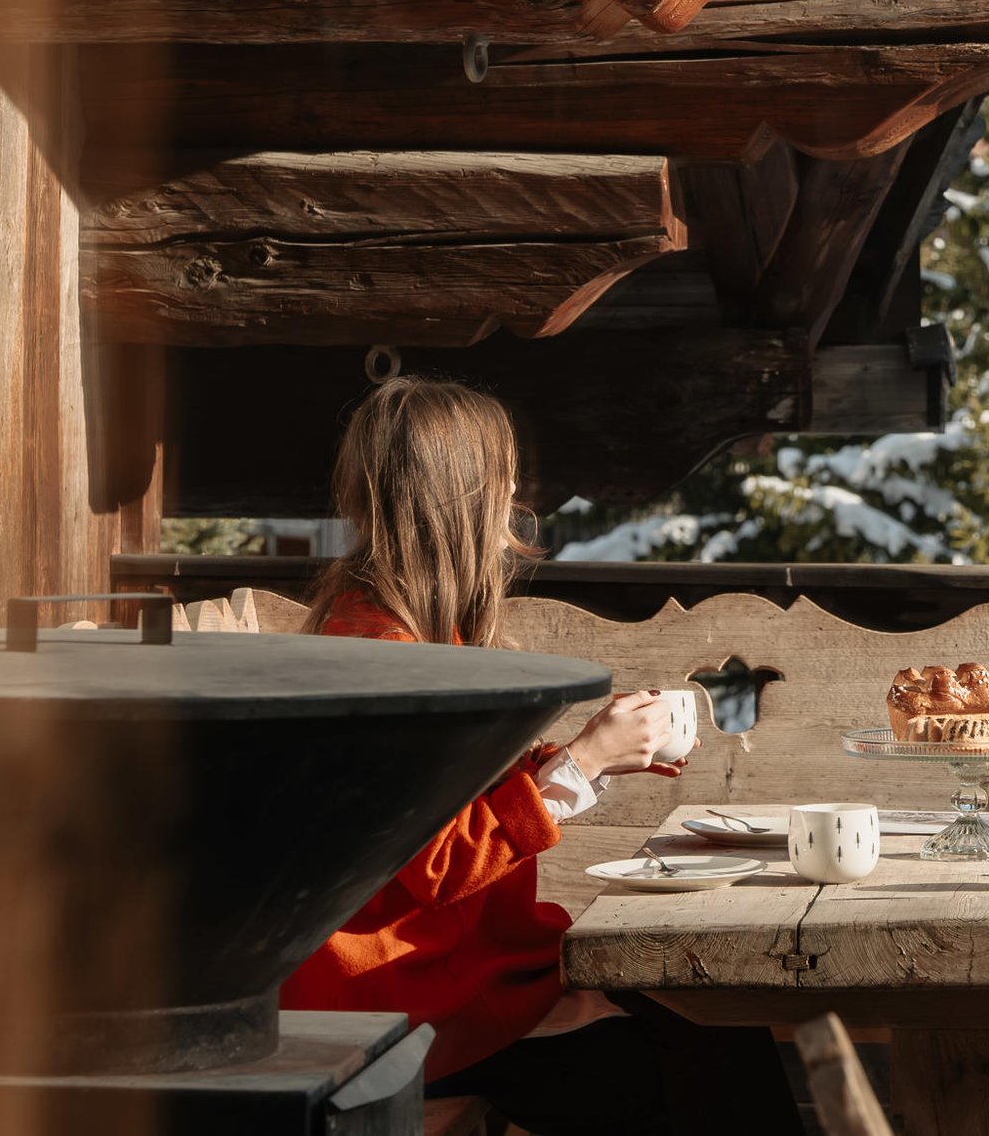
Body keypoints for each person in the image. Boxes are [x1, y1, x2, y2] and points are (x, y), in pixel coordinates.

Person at [284, 376, 803, 1135]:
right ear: (456, 499)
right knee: (693, 1065)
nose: (515, 498)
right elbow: (435, 861)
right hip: (397, 1002)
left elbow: (444, 811)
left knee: (714, 1026)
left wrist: (585, 758)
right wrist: (583, 763)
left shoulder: (401, 635)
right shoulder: (379, 658)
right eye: (502, 479)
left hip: (447, 978)